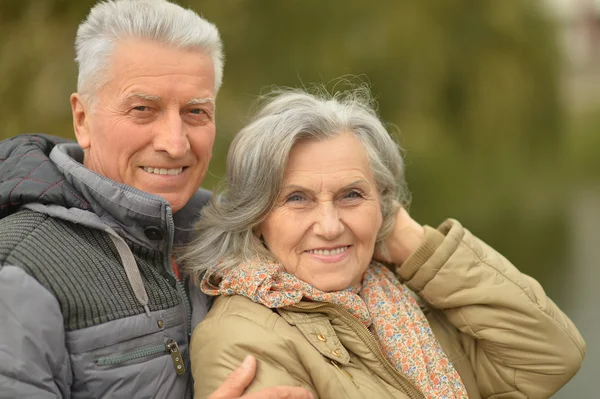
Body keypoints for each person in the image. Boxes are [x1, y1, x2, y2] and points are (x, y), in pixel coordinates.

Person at [184, 88, 586, 399]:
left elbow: (551, 356)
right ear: (256, 221)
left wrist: (414, 246)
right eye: (296, 198)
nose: (328, 225)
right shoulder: (240, 337)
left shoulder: (408, 296)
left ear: (385, 204)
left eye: (352, 195)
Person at [0, 1, 313, 398]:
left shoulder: (236, 234)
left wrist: (402, 240)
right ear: (83, 119)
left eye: (195, 111)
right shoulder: (20, 269)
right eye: (143, 109)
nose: (174, 143)